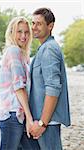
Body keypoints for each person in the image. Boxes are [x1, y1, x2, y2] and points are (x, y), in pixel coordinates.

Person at [20, 8, 71, 150]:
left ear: (50, 26)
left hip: (46, 123)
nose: (34, 27)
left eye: (39, 24)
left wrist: (42, 123)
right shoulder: (44, 48)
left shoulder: (49, 50)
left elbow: (53, 88)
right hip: (40, 121)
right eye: (33, 23)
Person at [0, 17, 33, 150]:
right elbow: (19, 87)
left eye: (26, 32)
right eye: (19, 32)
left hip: (18, 116)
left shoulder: (23, 55)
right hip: (12, 114)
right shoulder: (14, 51)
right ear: (12, 32)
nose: (23, 36)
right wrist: (29, 118)